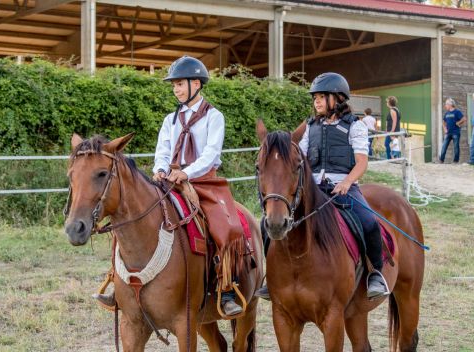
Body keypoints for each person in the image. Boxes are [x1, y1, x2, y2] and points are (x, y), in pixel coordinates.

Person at [94, 56, 245, 316]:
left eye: (180, 84)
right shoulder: (170, 119)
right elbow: (162, 150)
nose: (176, 90)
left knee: (225, 226)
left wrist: (186, 173)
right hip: (170, 179)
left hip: (204, 180)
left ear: (196, 83)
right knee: (127, 218)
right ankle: (115, 282)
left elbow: (210, 153)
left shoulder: (214, 116)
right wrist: (161, 170)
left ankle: (226, 287)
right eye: (173, 85)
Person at [256, 72, 390, 301]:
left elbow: (362, 162)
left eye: (321, 97)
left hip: (344, 188)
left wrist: (347, 182)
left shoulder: (355, 127)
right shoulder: (309, 127)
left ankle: (375, 274)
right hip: (314, 189)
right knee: (266, 223)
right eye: (314, 98)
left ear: (337, 98)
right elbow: (301, 157)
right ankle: (272, 276)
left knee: (369, 222)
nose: (316, 102)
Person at [439, 98, 466, 164]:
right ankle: (441, 160)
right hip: (448, 133)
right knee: (444, 146)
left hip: (455, 133)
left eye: (446, 104)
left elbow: (464, 119)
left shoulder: (457, 112)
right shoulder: (446, 113)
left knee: (456, 147)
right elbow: (443, 122)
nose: (445, 106)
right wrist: (445, 129)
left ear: (450, 104)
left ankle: (455, 161)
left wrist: (459, 123)